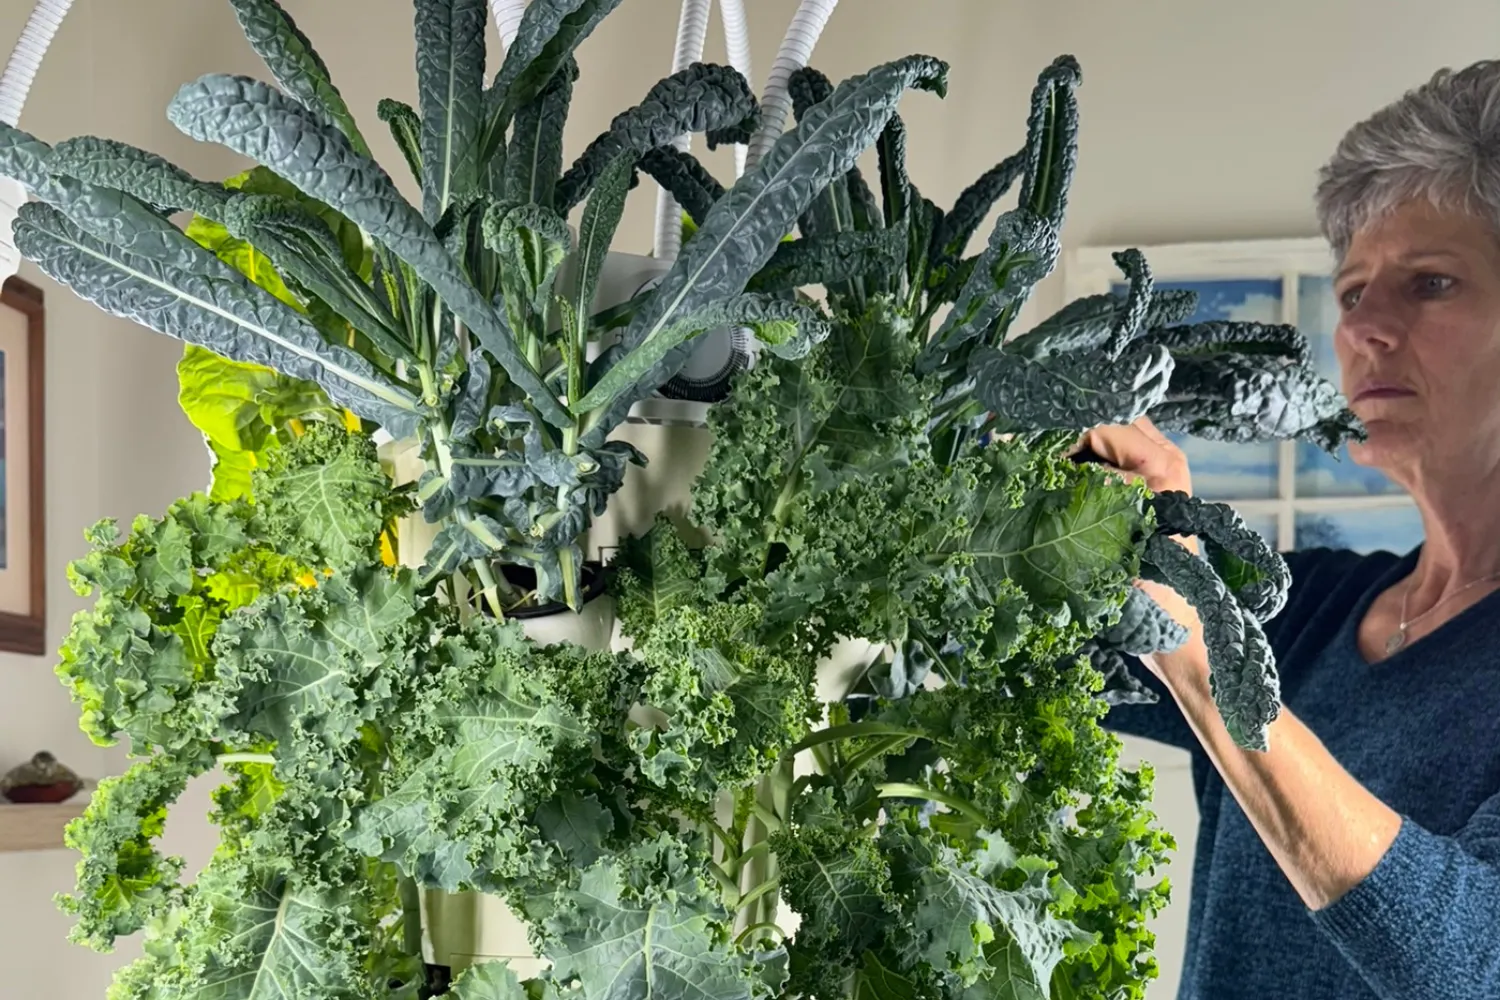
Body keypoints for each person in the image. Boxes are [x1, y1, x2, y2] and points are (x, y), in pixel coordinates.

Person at [1090, 60, 1500, 1000]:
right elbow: (987, 642)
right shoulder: (1303, 605)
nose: (1366, 329)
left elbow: (1475, 965)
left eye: (1431, 284)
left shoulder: (1237, 624)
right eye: (1354, 292)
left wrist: (1202, 643)